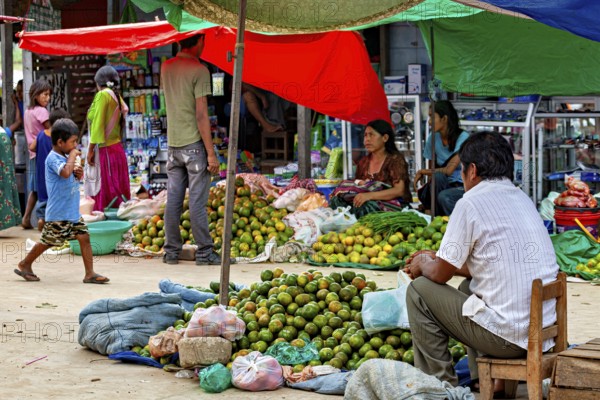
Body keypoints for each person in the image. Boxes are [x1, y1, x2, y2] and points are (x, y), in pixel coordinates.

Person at [403, 131, 558, 393]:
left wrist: (422, 264)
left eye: (461, 171)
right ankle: (485, 382)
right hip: (541, 332)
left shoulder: (470, 203)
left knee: (418, 291)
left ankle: (442, 390)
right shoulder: (522, 198)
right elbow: (493, 262)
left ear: (471, 170)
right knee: (467, 289)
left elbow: (440, 275)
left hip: (510, 337)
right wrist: (435, 259)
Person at [14, 118, 109, 284]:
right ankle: (25, 263)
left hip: (71, 211)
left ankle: (89, 273)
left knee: (84, 236)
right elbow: (64, 173)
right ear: (60, 142)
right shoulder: (52, 158)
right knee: (48, 242)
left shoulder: (65, 156)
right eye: (72, 142)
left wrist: (78, 174)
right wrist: (72, 156)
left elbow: (70, 175)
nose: (74, 146)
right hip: (58, 213)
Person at [161, 33, 220, 266]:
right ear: (199, 43)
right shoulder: (200, 71)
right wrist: (211, 153)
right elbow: (201, 114)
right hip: (194, 147)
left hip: (173, 146)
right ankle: (205, 252)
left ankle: (171, 252)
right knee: (197, 202)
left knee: (174, 200)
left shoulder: (166, 67)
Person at [329, 120, 411, 218]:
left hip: (393, 207)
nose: (367, 139)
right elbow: (358, 188)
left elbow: (399, 190)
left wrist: (369, 196)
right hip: (368, 206)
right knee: (337, 201)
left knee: (365, 206)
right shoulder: (363, 162)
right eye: (365, 135)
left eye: (371, 135)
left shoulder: (395, 160)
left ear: (385, 138)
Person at [86, 65, 130, 212]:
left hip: (106, 153)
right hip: (116, 151)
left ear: (99, 83)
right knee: (118, 195)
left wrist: (90, 150)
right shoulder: (116, 96)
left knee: (108, 197)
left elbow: (97, 125)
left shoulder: (103, 95)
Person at [414, 100, 469, 216]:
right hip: (441, 185)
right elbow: (432, 173)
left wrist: (422, 171)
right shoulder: (432, 139)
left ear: (444, 119)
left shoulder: (463, 138)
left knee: (444, 196)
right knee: (437, 177)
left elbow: (449, 170)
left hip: (461, 186)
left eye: (432, 117)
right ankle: (435, 219)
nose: (429, 122)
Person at [31, 108, 71, 230]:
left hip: (41, 173)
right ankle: (52, 222)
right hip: (53, 175)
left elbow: (32, 147)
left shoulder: (41, 135)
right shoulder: (58, 140)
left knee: (43, 198)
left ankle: (41, 219)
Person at [22, 79, 52, 228]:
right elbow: (50, 130)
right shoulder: (42, 111)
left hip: (32, 154)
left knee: (34, 188)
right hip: (42, 155)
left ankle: (26, 218)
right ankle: (43, 218)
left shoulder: (28, 111)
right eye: (45, 94)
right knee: (45, 186)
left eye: (49, 95)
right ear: (36, 96)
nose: (48, 98)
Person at [0, 95, 24, 231]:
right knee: (5, 184)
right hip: (5, 170)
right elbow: (18, 121)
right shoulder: (5, 132)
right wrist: (16, 104)